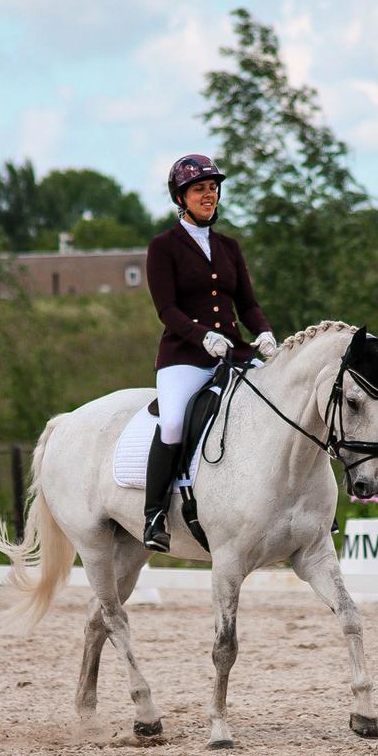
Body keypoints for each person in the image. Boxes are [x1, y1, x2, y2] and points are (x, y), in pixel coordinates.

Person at [142, 153, 276, 552]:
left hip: (234, 352)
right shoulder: (163, 247)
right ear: (181, 197)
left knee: (281, 405)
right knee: (172, 424)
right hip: (183, 357)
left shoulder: (229, 247)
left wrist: (265, 333)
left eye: (213, 188)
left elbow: (247, 304)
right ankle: (153, 515)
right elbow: (166, 309)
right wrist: (202, 337)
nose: (209, 195)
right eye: (200, 189)